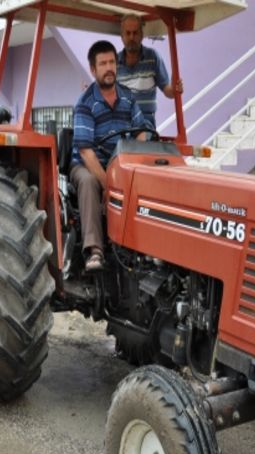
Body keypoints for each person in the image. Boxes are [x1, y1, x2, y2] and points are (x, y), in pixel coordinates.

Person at [71, 40, 149, 272]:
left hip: (120, 164)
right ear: (93, 70)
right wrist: (110, 185)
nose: (109, 68)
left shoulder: (128, 98)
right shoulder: (85, 103)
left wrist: (135, 165)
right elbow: (86, 151)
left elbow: (141, 133)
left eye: (112, 62)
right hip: (88, 164)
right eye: (103, 63)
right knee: (88, 182)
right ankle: (94, 250)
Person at [117, 14, 184, 127]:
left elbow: (169, 91)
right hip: (122, 122)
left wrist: (175, 89)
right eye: (128, 33)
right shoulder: (114, 62)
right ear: (122, 36)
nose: (132, 37)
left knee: (141, 137)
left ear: (142, 35)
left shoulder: (152, 57)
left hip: (145, 122)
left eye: (135, 33)